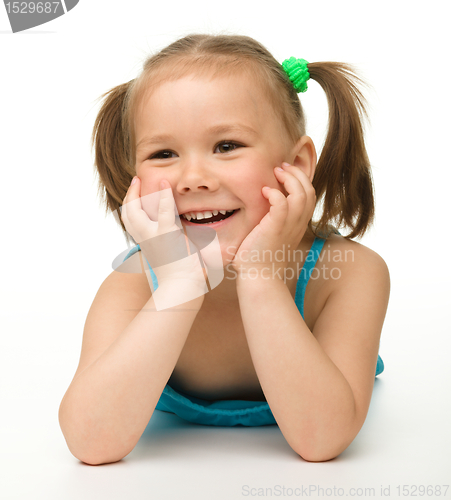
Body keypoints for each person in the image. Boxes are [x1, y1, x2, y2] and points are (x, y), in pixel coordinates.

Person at [58, 34, 390, 465]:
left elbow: (322, 439)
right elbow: (91, 443)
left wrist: (260, 277)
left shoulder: (347, 275)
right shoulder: (135, 285)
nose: (193, 178)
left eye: (226, 146)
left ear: (298, 165)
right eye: (163, 153)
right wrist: (179, 285)